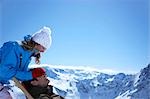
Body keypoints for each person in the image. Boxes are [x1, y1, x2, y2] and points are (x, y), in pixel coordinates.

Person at [0, 26, 52, 99]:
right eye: (43, 48)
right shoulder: (13, 47)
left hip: (4, 82)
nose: (43, 51)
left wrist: (33, 74)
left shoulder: (28, 56)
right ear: (37, 43)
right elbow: (3, 71)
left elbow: (19, 74)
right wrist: (31, 74)